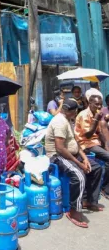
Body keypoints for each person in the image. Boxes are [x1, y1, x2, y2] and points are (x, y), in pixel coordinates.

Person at [45, 99, 103, 228]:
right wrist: (80, 164)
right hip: (57, 156)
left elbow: (75, 142)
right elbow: (60, 148)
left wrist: (85, 159)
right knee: (79, 175)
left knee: (97, 168)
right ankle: (73, 211)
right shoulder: (60, 122)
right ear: (73, 111)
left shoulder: (68, 120)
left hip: (71, 153)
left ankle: (89, 200)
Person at [75, 94, 109, 200]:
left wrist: (106, 146)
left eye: (100, 104)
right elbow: (88, 135)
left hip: (95, 143)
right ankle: (105, 188)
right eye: (96, 104)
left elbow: (99, 133)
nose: (99, 107)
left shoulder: (96, 113)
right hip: (85, 144)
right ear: (90, 103)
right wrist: (96, 120)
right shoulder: (84, 115)